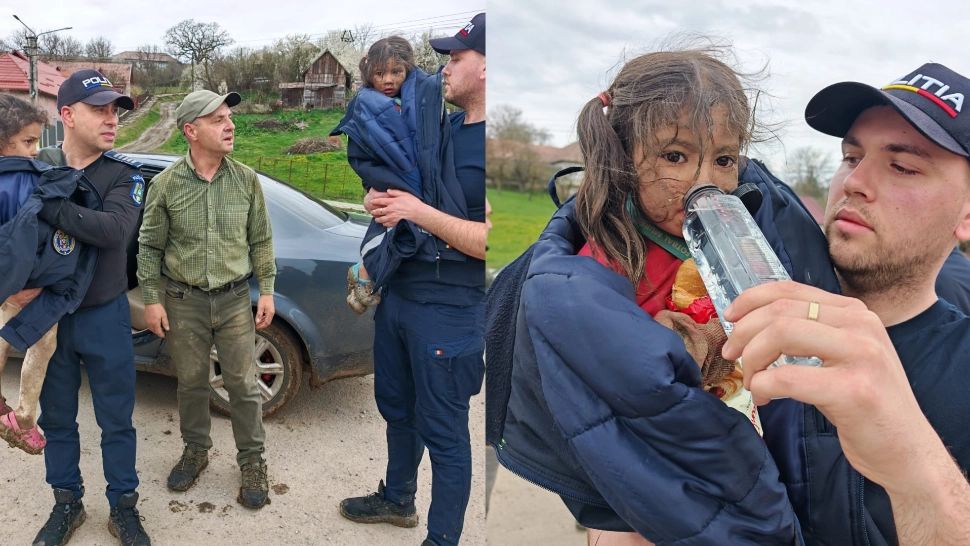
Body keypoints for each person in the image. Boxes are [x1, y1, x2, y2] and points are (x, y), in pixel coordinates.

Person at [487, 46, 840, 545]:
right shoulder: (611, 257)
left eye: (724, 159)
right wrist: (699, 344)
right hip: (656, 468)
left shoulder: (737, 236)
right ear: (623, 158)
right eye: (675, 156)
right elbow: (623, 368)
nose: (705, 183)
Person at [724, 62, 970, 545]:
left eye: (903, 166)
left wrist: (912, 463)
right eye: (851, 157)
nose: (855, 182)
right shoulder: (740, 298)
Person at [338, 12, 487, 546]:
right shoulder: (442, 126)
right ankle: (398, 499)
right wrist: (377, 200)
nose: (444, 67)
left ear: (488, 67)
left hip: (450, 309)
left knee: (445, 435)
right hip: (401, 293)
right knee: (398, 411)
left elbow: (491, 243)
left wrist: (416, 211)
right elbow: (402, 185)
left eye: (457, 57)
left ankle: (441, 539)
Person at [137, 90, 276, 510]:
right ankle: (195, 451)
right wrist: (152, 299)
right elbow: (149, 247)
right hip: (184, 300)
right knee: (192, 382)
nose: (230, 125)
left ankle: (252, 461)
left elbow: (261, 240)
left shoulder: (246, 180)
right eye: (218, 120)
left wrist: (267, 290)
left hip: (234, 300)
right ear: (191, 131)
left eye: (229, 117)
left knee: (243, 384)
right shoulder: (166, 185)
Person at [30, 69, 150, 546]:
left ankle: (123, 506)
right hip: (49, 316)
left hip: (104, 313)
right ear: (67, 114)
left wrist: (47, 203)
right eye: (99, 109)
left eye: (115, 110)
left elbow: (113, 231)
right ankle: (67, 502)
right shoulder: (36, 167)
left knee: (116, 419)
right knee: (56, 418)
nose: (111, 119)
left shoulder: (124, 174)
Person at [332, 35, 423, 313]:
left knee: (396, 226)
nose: (388, 80)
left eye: (396, 72)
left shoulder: (414, 100)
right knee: (396, 226)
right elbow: (368, 151)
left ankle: (365, 275)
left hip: (396, 176)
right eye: (380, 73)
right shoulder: (368, 103)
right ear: (369, 73)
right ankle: (366, 273)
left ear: (408, 70)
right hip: (386, 176)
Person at [0, 94, 54, 454]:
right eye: (28, 141)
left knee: (13, 336)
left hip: (19, 286)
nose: (35, 150)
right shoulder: (24, 182)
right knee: (42, 343)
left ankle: (18, 414)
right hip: (23, 286)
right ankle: (23, 417)